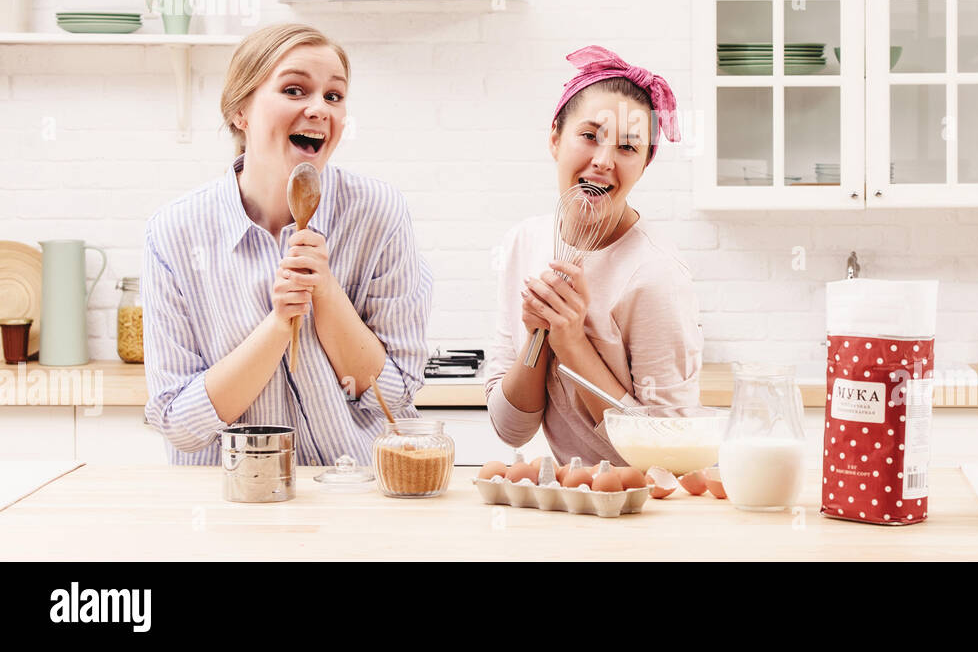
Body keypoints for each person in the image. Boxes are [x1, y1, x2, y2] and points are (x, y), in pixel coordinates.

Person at [142, 23, 432, 465]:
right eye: (295, 90)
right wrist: (279, 324)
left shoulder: (379, 213)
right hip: (228, 500)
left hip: (352, 494)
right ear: (241, 111)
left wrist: (327, 292)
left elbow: (394, 397)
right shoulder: (175, 233)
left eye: (333, 96)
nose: (319, 109)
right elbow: (180, 425)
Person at [483, 45, 702, 466]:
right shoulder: (522, 244)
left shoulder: (655, 275)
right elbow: (512, 429)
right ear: (554, 138)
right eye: (589, 136)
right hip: (571, 503)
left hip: (644, 513)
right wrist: (539, 335)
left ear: (644, 164)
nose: (603, 161)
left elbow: (672, 458)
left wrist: (572, 341)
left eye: (627, 147)